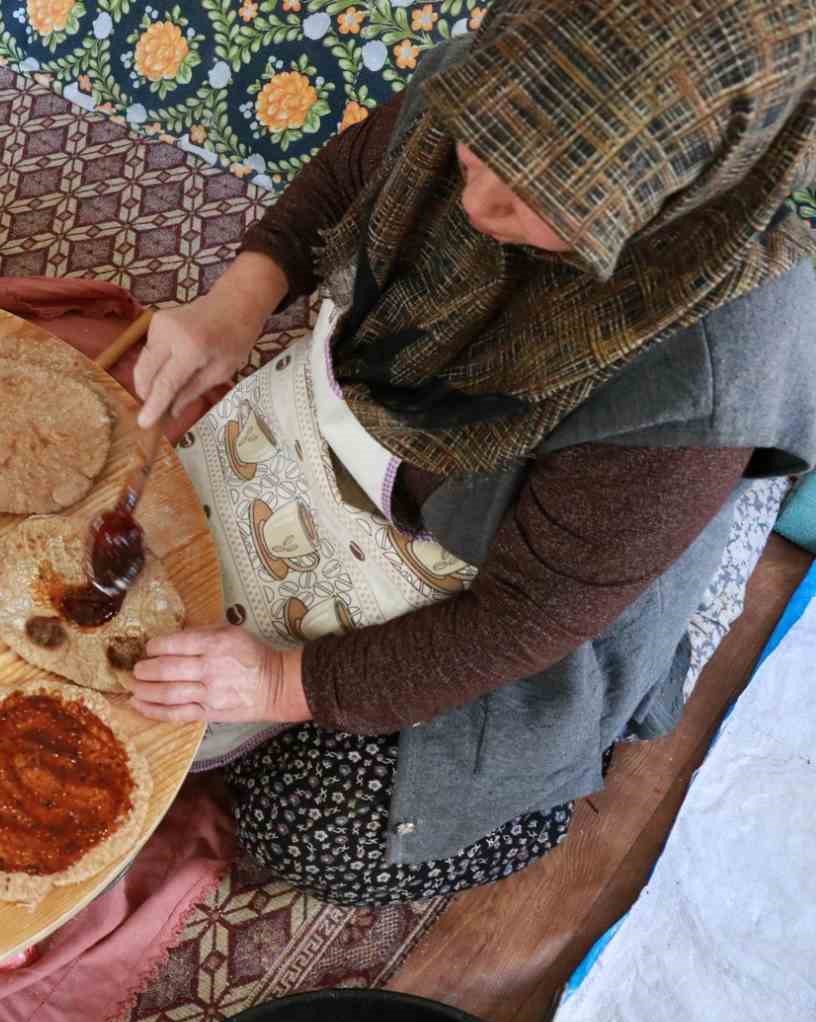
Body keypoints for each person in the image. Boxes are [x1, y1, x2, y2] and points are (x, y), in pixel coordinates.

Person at [126, 0, 816, 905]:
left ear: (663, 196)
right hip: (357, 436)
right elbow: (354, 171)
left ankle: (530, 795)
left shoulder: (704, 371)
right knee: (112, 562)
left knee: (312, 827)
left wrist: (277, 680)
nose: (476, 207)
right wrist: (239, 300)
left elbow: (522, 621)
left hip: (517, 595)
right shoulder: (496, 92)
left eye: (543, 205)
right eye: (474, 154)